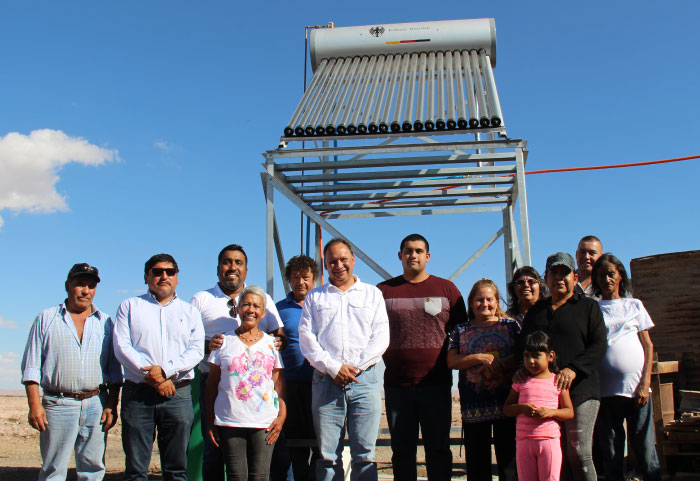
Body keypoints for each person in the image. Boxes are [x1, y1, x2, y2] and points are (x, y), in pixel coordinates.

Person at [190, 244, 285, 481]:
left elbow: (279, 335)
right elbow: (187, 340)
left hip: (259, 392)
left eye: (238, 262)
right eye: (227, 262)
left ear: (246, 269)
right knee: (213, 449)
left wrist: (277, 343)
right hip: (214, 383)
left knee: (258, 466)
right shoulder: (201, 299)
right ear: (218, 267)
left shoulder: (263, 298)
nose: (232, 267)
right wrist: (208, 347)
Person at [299, 238, 390, 481]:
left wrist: (355, 368)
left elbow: (381, 337)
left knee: (365, 455)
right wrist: (333, 367)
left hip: (365, 380)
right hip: (326, 381)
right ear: (325, 265)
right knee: (328, 457)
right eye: (332, 261)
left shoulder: (372, 294)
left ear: (353, 260)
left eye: (343, 259)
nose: (338, 265)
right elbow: (307, 339)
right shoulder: (314, 298)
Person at [21, 263, 122, 481]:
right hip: (58, 404)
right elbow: (31, 366)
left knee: (93, 468)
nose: (86, 291)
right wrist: (35, 405)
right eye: (80, 284)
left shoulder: (106, 322)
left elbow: (114, 372)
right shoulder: (46, 319)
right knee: (53, 469)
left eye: (91, 286)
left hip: (95, 403)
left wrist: (111, 405)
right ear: (68, 286)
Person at [377, 233, 466, 481]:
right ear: (400, 256)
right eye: (408, 251)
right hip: (397, 385)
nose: (412, 255)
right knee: (402, 452)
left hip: (436, 385)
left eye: (418, 251)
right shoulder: (382, 291)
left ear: (427, 256)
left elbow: (462, 333)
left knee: (438, 449)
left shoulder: (447, 289)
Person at [516, 252, 607, 481]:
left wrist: (573, 369)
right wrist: (521, 369)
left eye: (564, 273)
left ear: (575, 277)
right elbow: (525, 347)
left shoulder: (588, 307)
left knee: (579, 451)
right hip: (546, 395)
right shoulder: (536, 312)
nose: (559, 278)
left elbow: (599, 344)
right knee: (556, 454)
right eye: (553, 273)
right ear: (545, 279)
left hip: (582, 390)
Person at [113, 253, 204, 481]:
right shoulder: (130, 306)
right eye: (157, 272)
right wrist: (154, 377)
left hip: (177, 393)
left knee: (176, 470)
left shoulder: (190, 312)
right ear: (147, 277)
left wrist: (165, 372)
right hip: (138, 393)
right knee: (136, 470)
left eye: (170, 272)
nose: (164, 276)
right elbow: (122, 347)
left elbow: (196, 351)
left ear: (177, 278)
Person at [591, 254, 661, 481]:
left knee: (645, 449)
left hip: (636, 390)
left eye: (611, 274)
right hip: (605, 392)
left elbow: (648, 346)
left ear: (620, 276)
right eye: (601, 276)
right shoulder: (593, 310)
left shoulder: (635, 305)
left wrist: (645, 383)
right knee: (611, 453)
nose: (607, 279)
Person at [205, 286, 286, 481]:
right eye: (246, 304)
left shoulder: (271, 344)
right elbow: (212, 383)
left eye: (256, 306)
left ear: (263, 313)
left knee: (260, 476)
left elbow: (278, 384)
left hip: (264, 422)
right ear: (238, 309)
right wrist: (210, 419)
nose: (251, 310)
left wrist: (281, 416)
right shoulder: (223, 341)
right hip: (230, 420)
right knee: (236, 476)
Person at [447, 278, 519, 481]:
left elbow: (522, 354)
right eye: (479, 300)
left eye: (489, 299)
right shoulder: (460, 330)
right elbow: (451, 361)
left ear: (497, 302)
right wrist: (477, 358)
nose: (484, 304)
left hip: (507, 405)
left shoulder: (511, 326)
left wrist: (501, 363)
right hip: (474, 407)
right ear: (471, 303)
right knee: (477, 465)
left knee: (509, 463)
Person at [270, 255, 321, 481]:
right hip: (290, 385)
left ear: (315, 279)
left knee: (323, 444)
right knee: (294, 446)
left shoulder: (324, 305)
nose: (301, 282)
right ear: (289, 280)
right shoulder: (277, 309)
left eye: (306, 277)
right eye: (295, 277)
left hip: (322, 383)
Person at [504, 331, 574, 481]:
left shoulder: (558, 382)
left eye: (536, 356)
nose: (530, 361)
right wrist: (521, 408)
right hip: (524, 442)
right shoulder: (520, 381)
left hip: (549, 441)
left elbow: (569, 412)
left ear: (550, 356)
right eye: (526, 355)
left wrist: (550, 412)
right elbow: (507, 409)